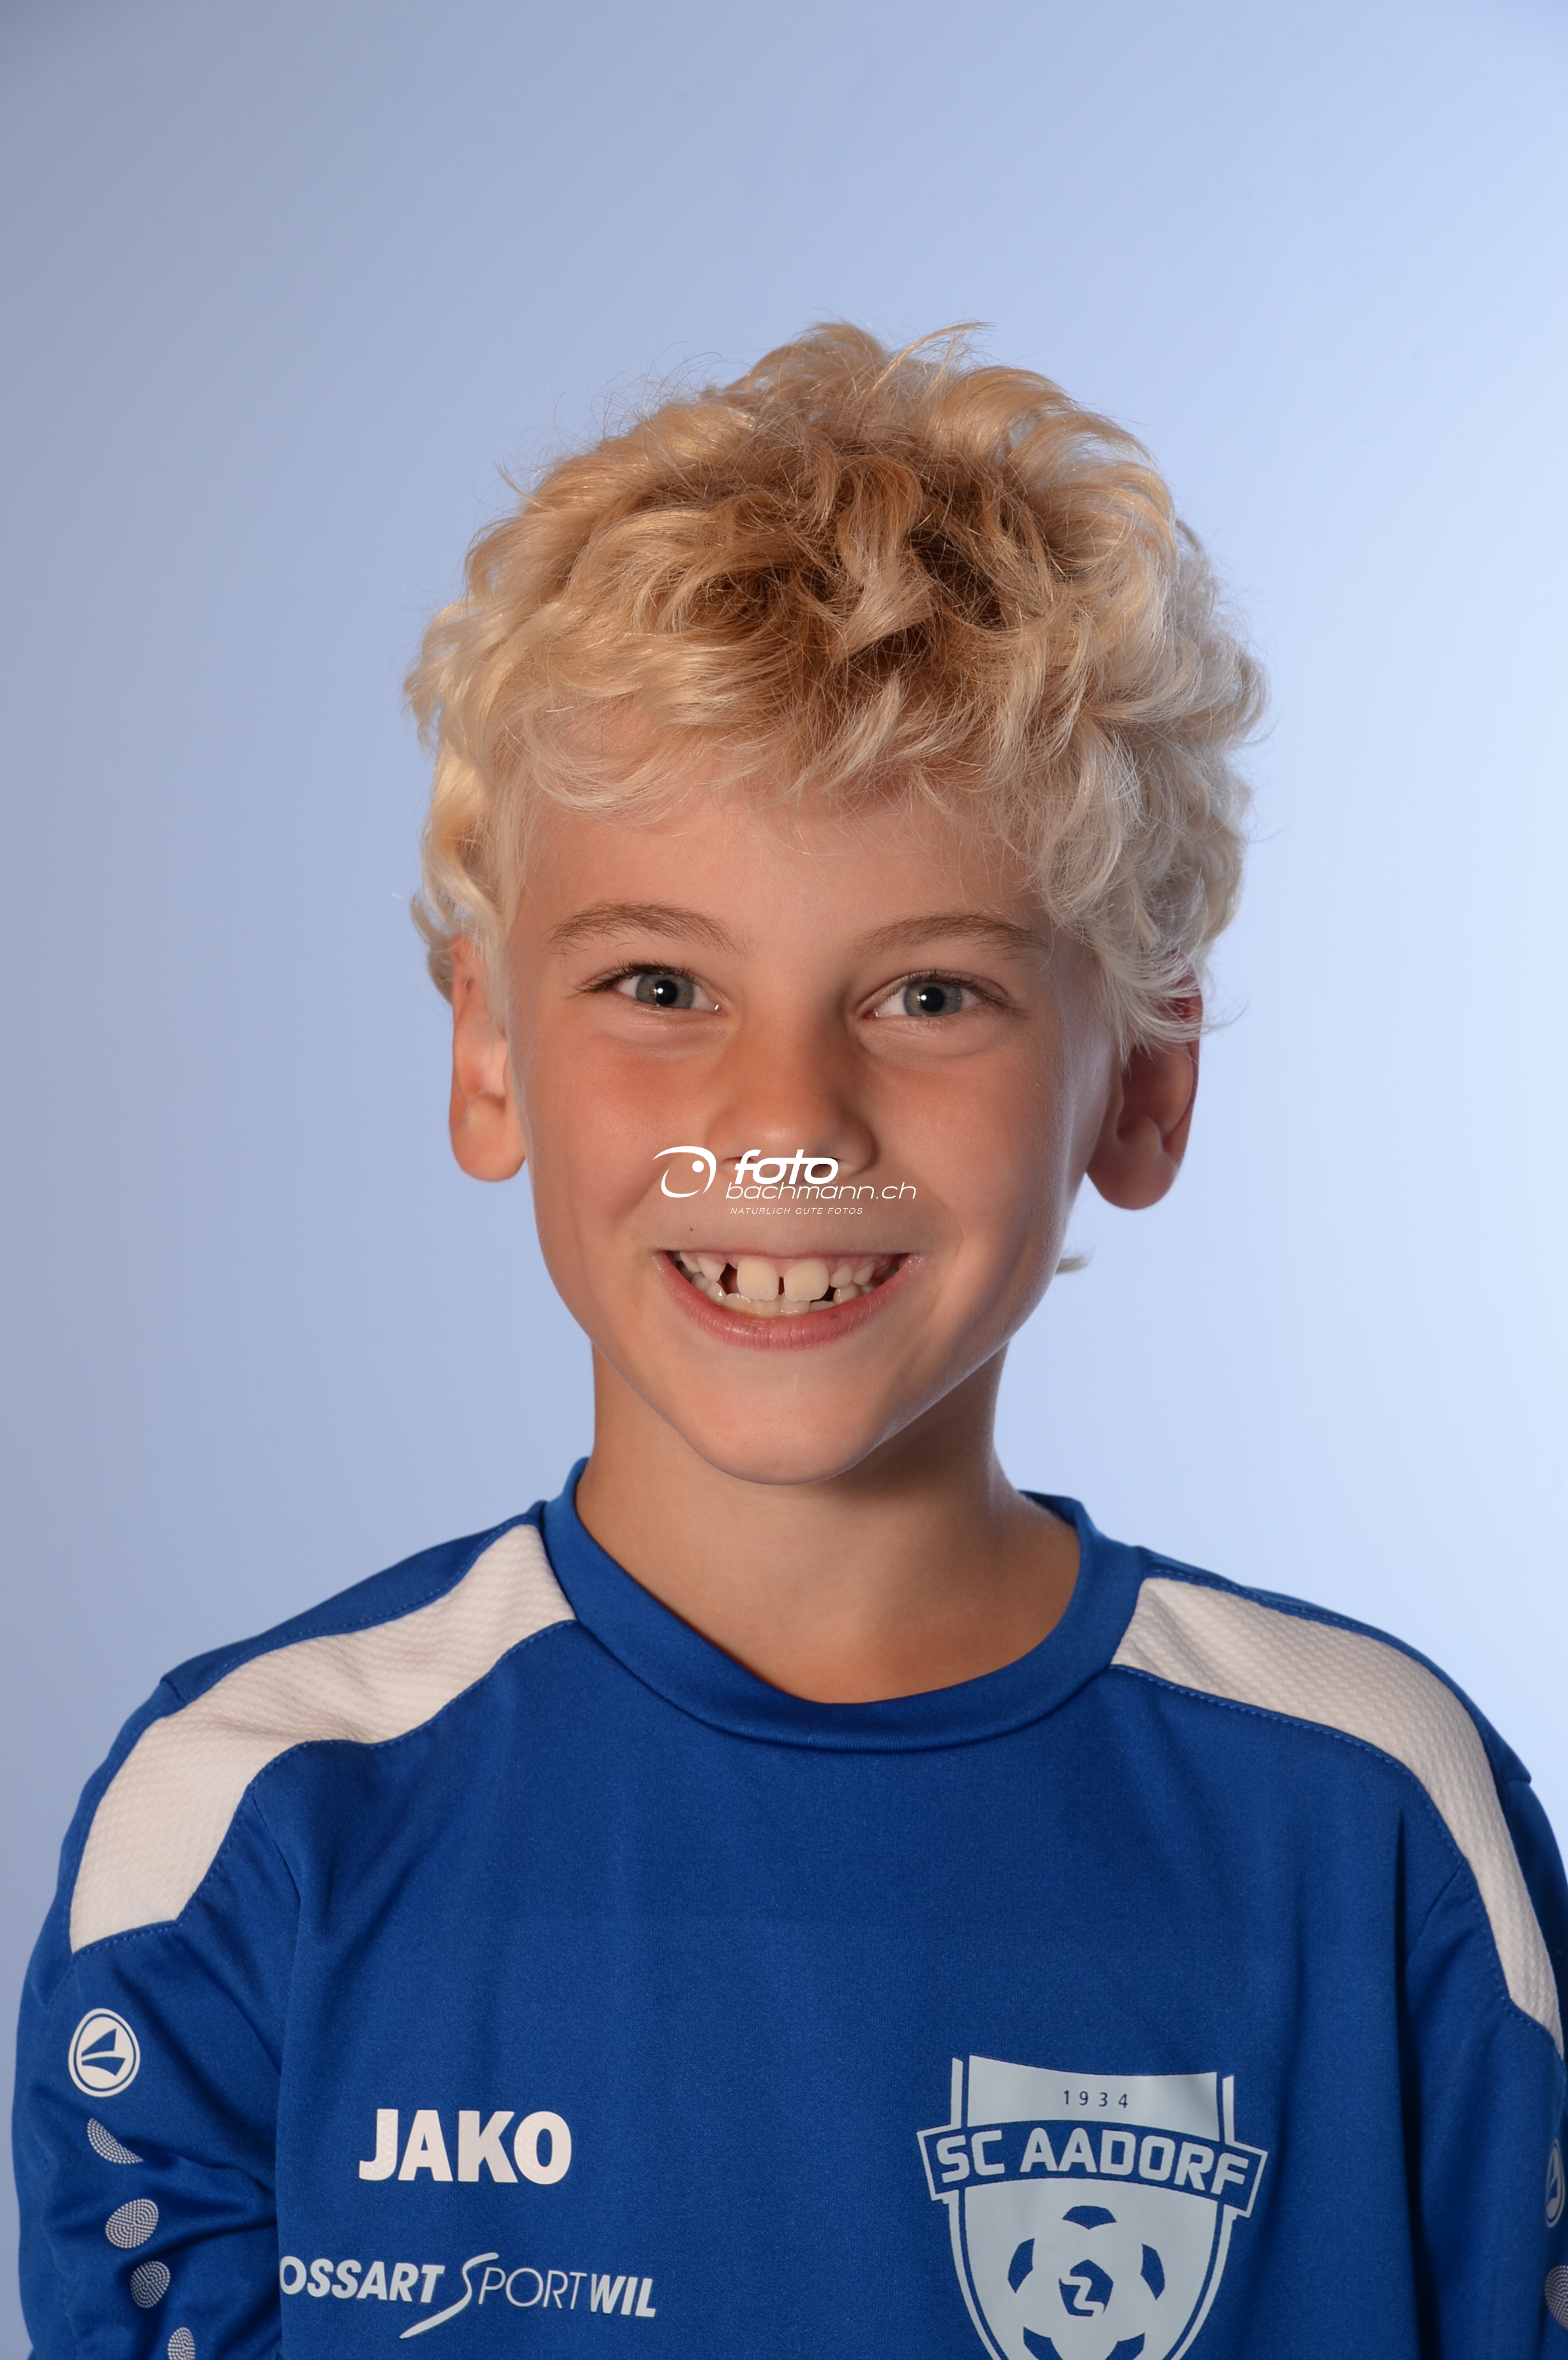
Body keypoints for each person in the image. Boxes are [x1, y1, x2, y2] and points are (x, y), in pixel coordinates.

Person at [15, 326, 1568, 2360]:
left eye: (930, 997)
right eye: (661, 985)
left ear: (1144, 1082)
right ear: (487, 1053)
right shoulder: (251, 1828)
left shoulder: (1375, 1820)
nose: (786, 1124)